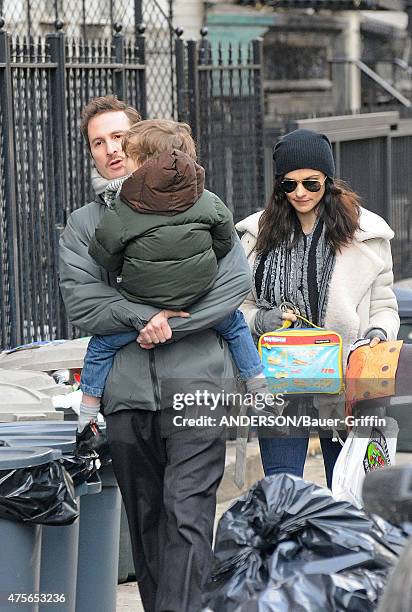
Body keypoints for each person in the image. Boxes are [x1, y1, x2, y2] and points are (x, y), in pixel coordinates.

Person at [59, 95, 252, 612]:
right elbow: (84, 300)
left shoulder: (199, 202)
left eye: (119, 137)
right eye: (98, 143)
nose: (111, 150)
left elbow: (233, 284)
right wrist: (142, 318)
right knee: (146, 523)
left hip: (198, 387)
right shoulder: (83, 225)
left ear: (142, 140)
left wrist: (166, 320)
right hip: (126, 396)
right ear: (93, 156)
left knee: (187, 515)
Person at [78, 118, 269, 429]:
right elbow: (223, 239)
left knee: (101, 346)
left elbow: (104, 254)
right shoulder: (207, 199)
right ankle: (258, 387)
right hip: (198, 297)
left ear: (144, 164)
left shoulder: (125, 208)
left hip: (144, 302)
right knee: (234, 325)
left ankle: (88, 410)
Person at [236, 128, 400, 487]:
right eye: (288, 185)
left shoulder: (365, 235)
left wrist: (376, 334)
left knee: (349, 491)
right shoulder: (256, 236)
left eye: (311, 183)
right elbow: (238, 308)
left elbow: (386, 307)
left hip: (344, 380)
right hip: (281, 382)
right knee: (282, 492)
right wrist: (262, 319)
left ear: (328, 179)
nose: (299, 193)